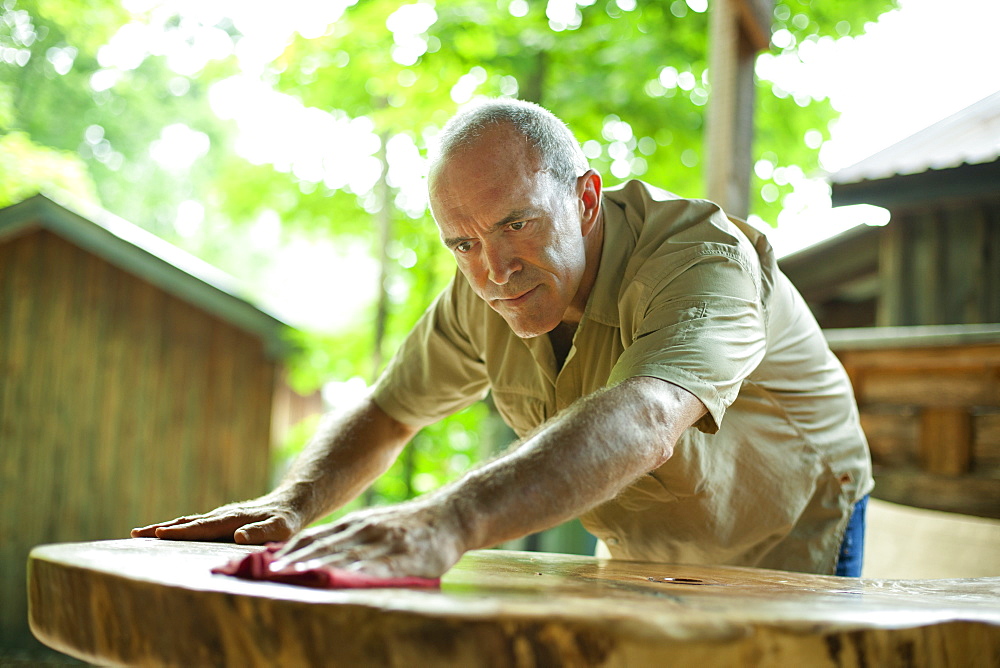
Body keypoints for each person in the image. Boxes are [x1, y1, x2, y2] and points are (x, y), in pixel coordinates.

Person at [133, 99, 873, 578]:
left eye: (517, 223)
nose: (493, 271)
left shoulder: (700, 258)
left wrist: (446, 518)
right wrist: (293, 503)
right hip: (644, 545)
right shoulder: (481, 289)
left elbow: (648, 419)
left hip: (793, 528)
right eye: (463, 242)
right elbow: (390, 412)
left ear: (585, 199)